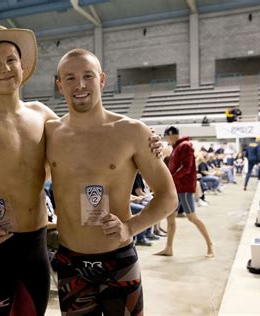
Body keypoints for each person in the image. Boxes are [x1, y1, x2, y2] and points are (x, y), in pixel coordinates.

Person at [0, 26, 164, 316]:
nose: (5, 68)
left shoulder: (44, 117)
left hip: (36, 243)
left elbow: (85, 134)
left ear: (23, 66)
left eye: (11, 60)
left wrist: (153, 143)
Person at [45, 48, 178, 315]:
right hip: (70, 261)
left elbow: (168, 197)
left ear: (102, 80)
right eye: (69, 78)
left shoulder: (132, 132)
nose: (79, 85)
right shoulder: (49, 133)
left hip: (118, 261)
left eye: (88, 76)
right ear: (60, 86)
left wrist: (131, 228)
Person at [155, 126, 214, 258]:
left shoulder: (185, 146)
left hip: (184, 188)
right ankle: (168, 248)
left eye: (167, 138)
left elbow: (186, 168)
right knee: (170, 218)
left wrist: (171, 178)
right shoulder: (177, 147)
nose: (167, 141)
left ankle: (210, 245)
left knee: (192, 217)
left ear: (172, 135)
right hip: (176, 187)